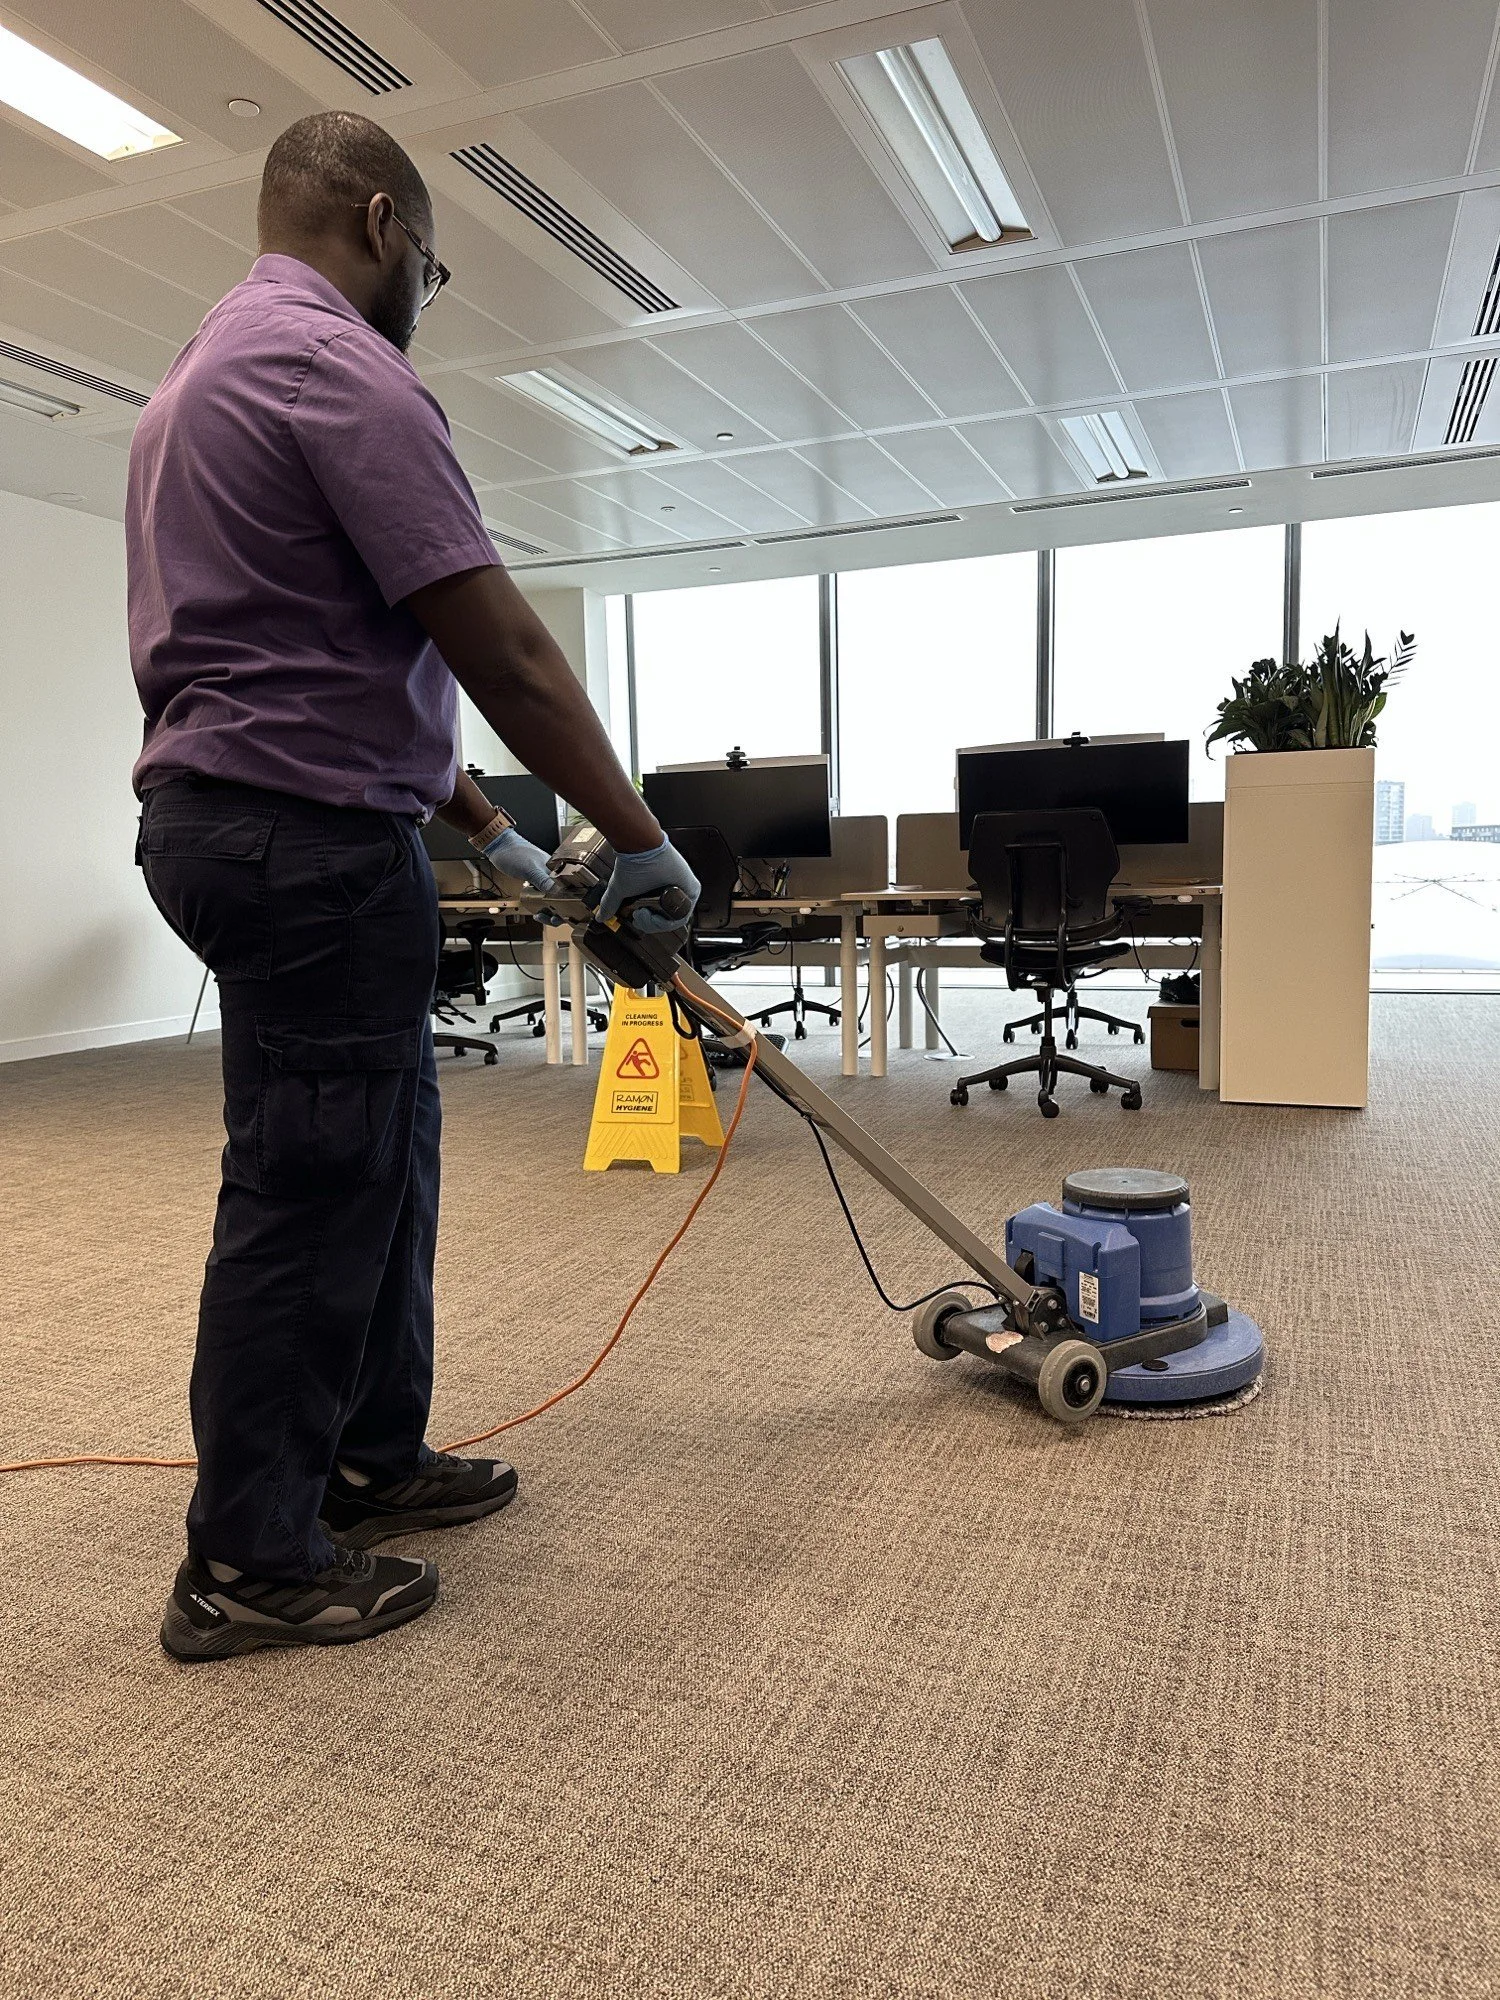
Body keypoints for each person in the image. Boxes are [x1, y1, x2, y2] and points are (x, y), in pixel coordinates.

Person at [128, 110, 699, 1662]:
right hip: (301, 844)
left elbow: (316, 660)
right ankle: (249, 1559)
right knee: (311, 1189)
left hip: (257, 821)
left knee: (376, 1155)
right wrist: (634, 834)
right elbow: (498, 644)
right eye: (430, 269)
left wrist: (494, 831)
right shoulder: (339, 370)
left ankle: (372, 1454)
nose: (420, 297)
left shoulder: (198, 377)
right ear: (382, 226)